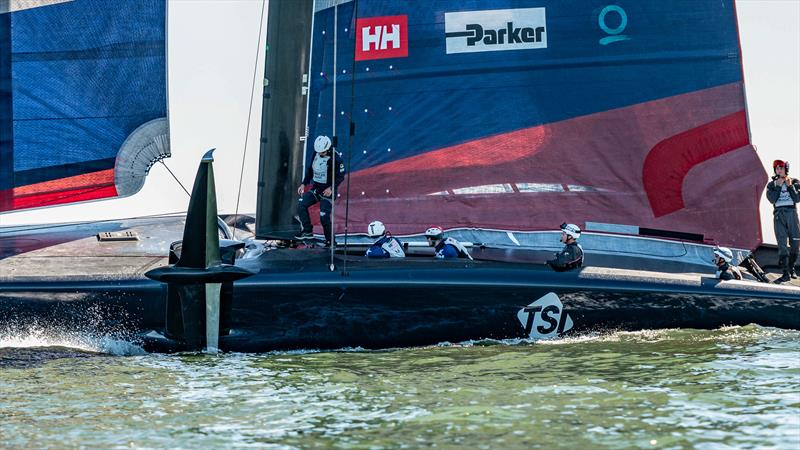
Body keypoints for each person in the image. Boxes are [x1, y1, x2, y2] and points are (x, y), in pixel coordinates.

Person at [295, 135, 346, 246]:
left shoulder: (336, 159)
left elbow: (340, 176)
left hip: (328, 191)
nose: (320, 154)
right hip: (317, 188)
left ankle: (330, 241)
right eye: (319, 152)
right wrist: (304, 183)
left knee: (323, 216)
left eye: (322, 152)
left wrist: (331, 188)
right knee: (301, 205)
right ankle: (307, 231)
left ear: (327, 149)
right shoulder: (316, 153)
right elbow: (310, 171)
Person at [765, 159, 799, 282]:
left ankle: (791, 268)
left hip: (792, 214)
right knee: (782, 245)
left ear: (786, 169)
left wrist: (790, 187)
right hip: (779, 214)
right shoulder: (771, 184)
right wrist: (779, 186)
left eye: (781, 168)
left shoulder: (795, 182)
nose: (779, 170)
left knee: (795, 244)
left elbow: (797, 198)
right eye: (777, 169)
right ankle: (785, 273)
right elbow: (772, 199)